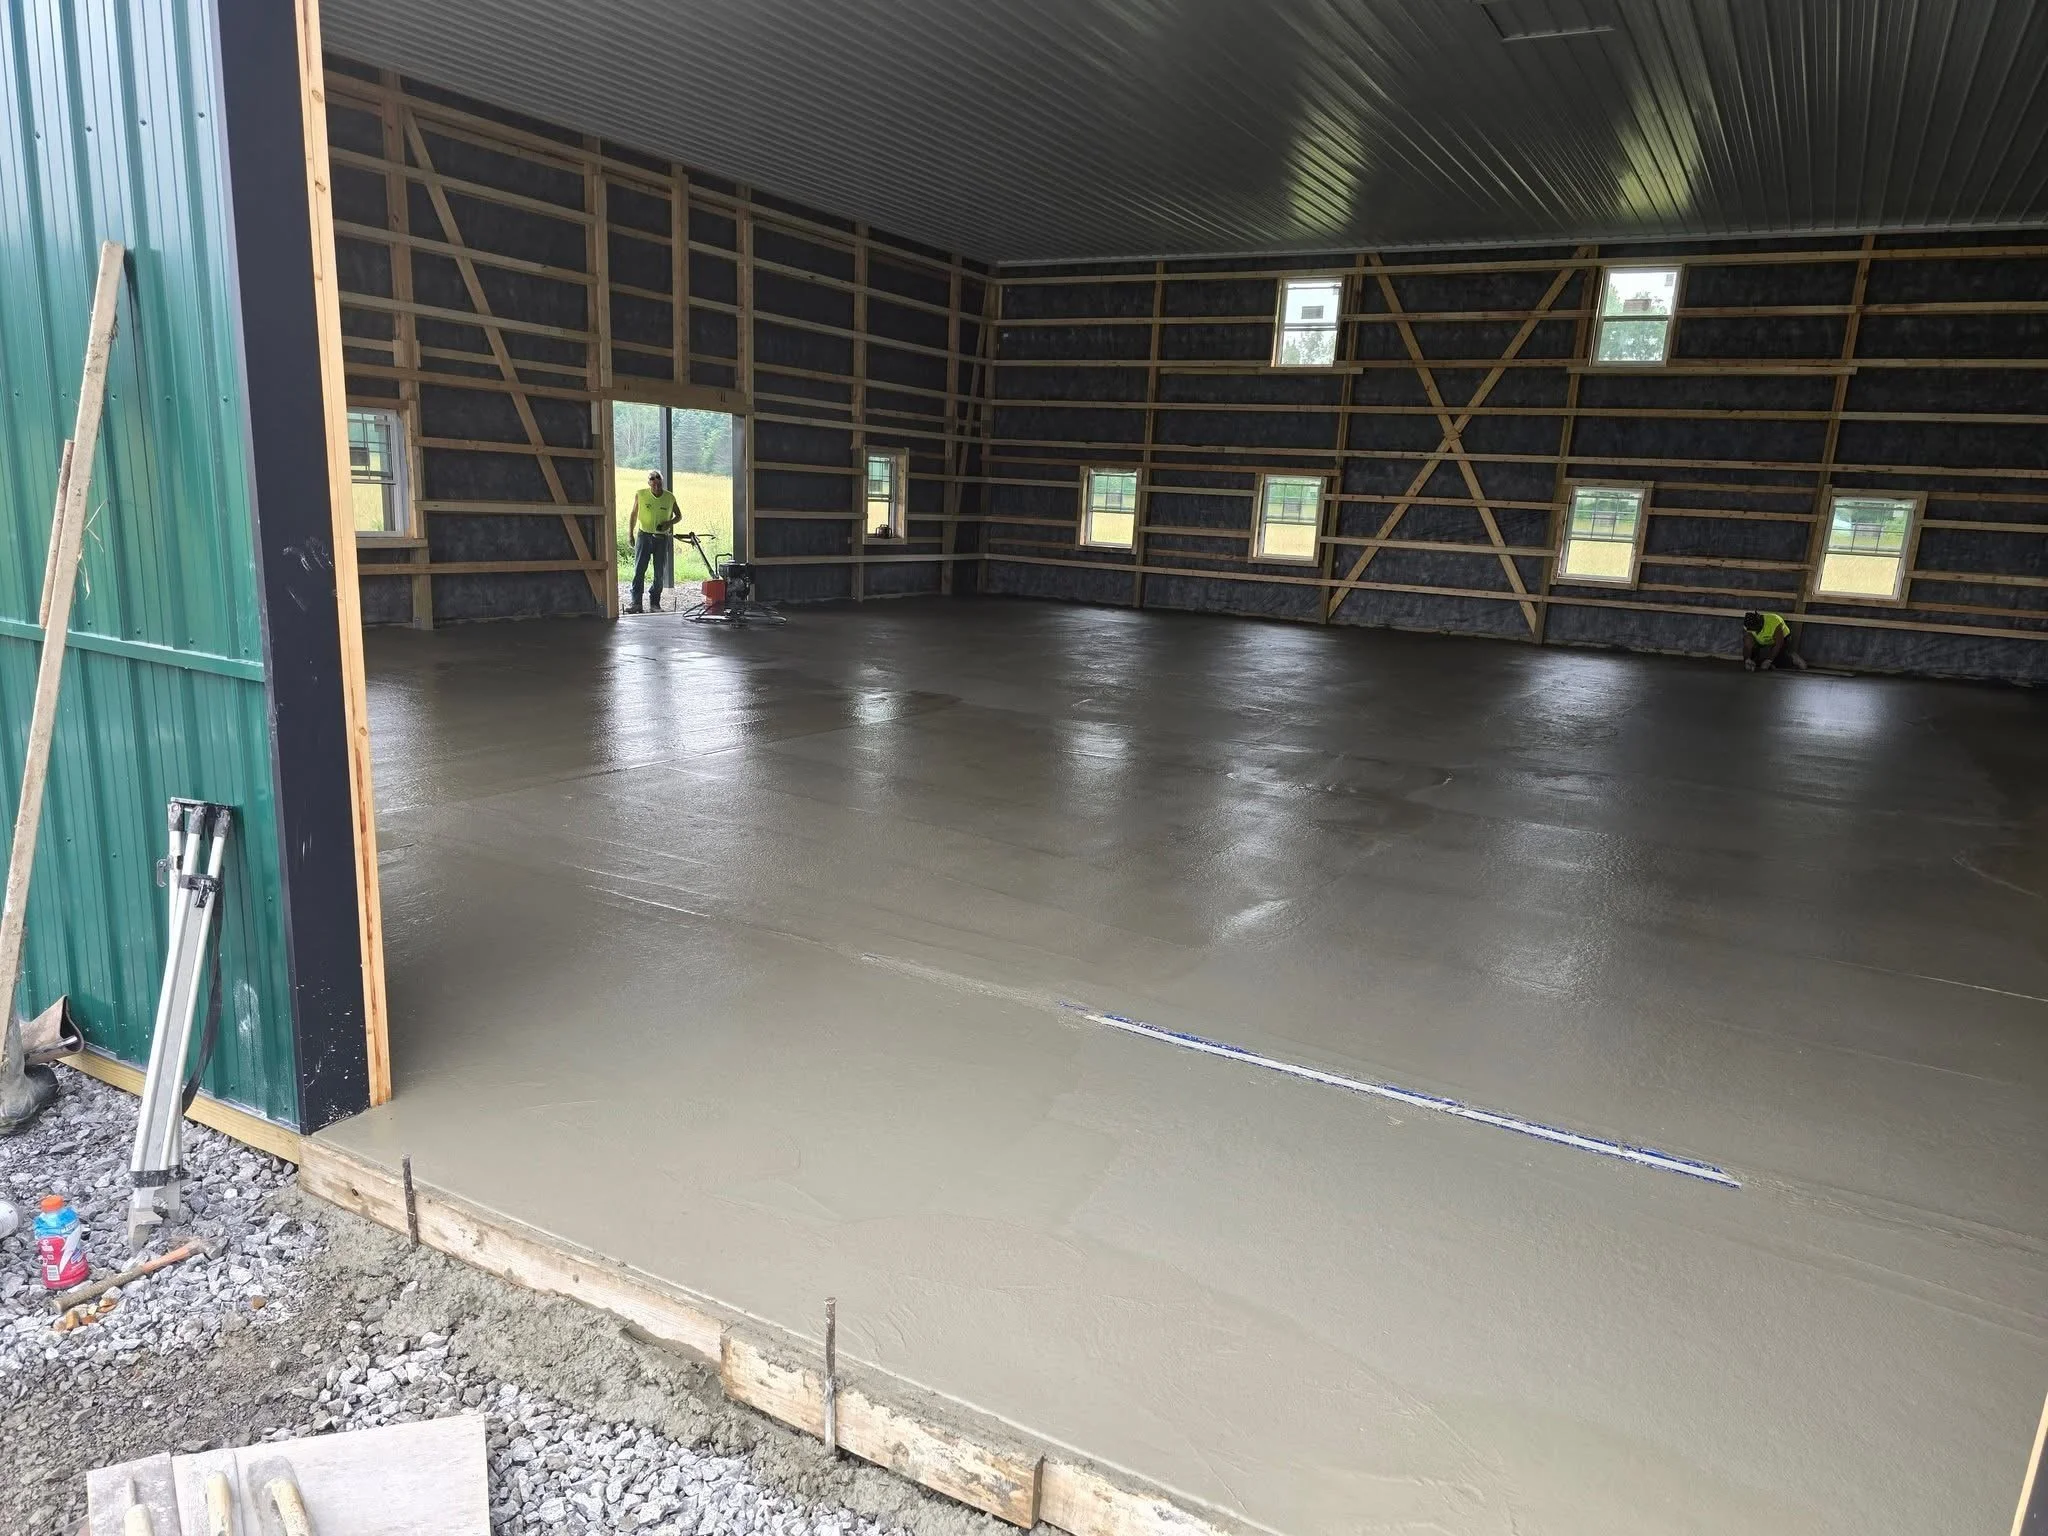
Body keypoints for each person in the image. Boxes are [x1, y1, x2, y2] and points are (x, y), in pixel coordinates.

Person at [627, 471, 680, 613]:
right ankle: (636, 602)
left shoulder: (669, 497)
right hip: (644, 535)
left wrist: (669, 523)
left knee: (659, 572)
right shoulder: (641, 494)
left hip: (661, 538)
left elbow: (679, 516)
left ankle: (655, 603)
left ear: (662, 482)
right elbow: (633, 514)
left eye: (659, 482)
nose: (656, 485)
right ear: (648, 482)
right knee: (639, 569)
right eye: (653, 481)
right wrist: (630, 534)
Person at [1740, 610, 1806, 671]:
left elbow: (1779, 644)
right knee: (1753, 660)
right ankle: (1768, 663)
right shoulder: (1747, 626)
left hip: (1781, 639)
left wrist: (1769, 660)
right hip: (1761, 641)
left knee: (1779, 660)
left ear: (1760, 625)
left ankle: (1793, 659)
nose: (1752, 631)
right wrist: (1747, 659)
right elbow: (1747, 644)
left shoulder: (1774, 621)